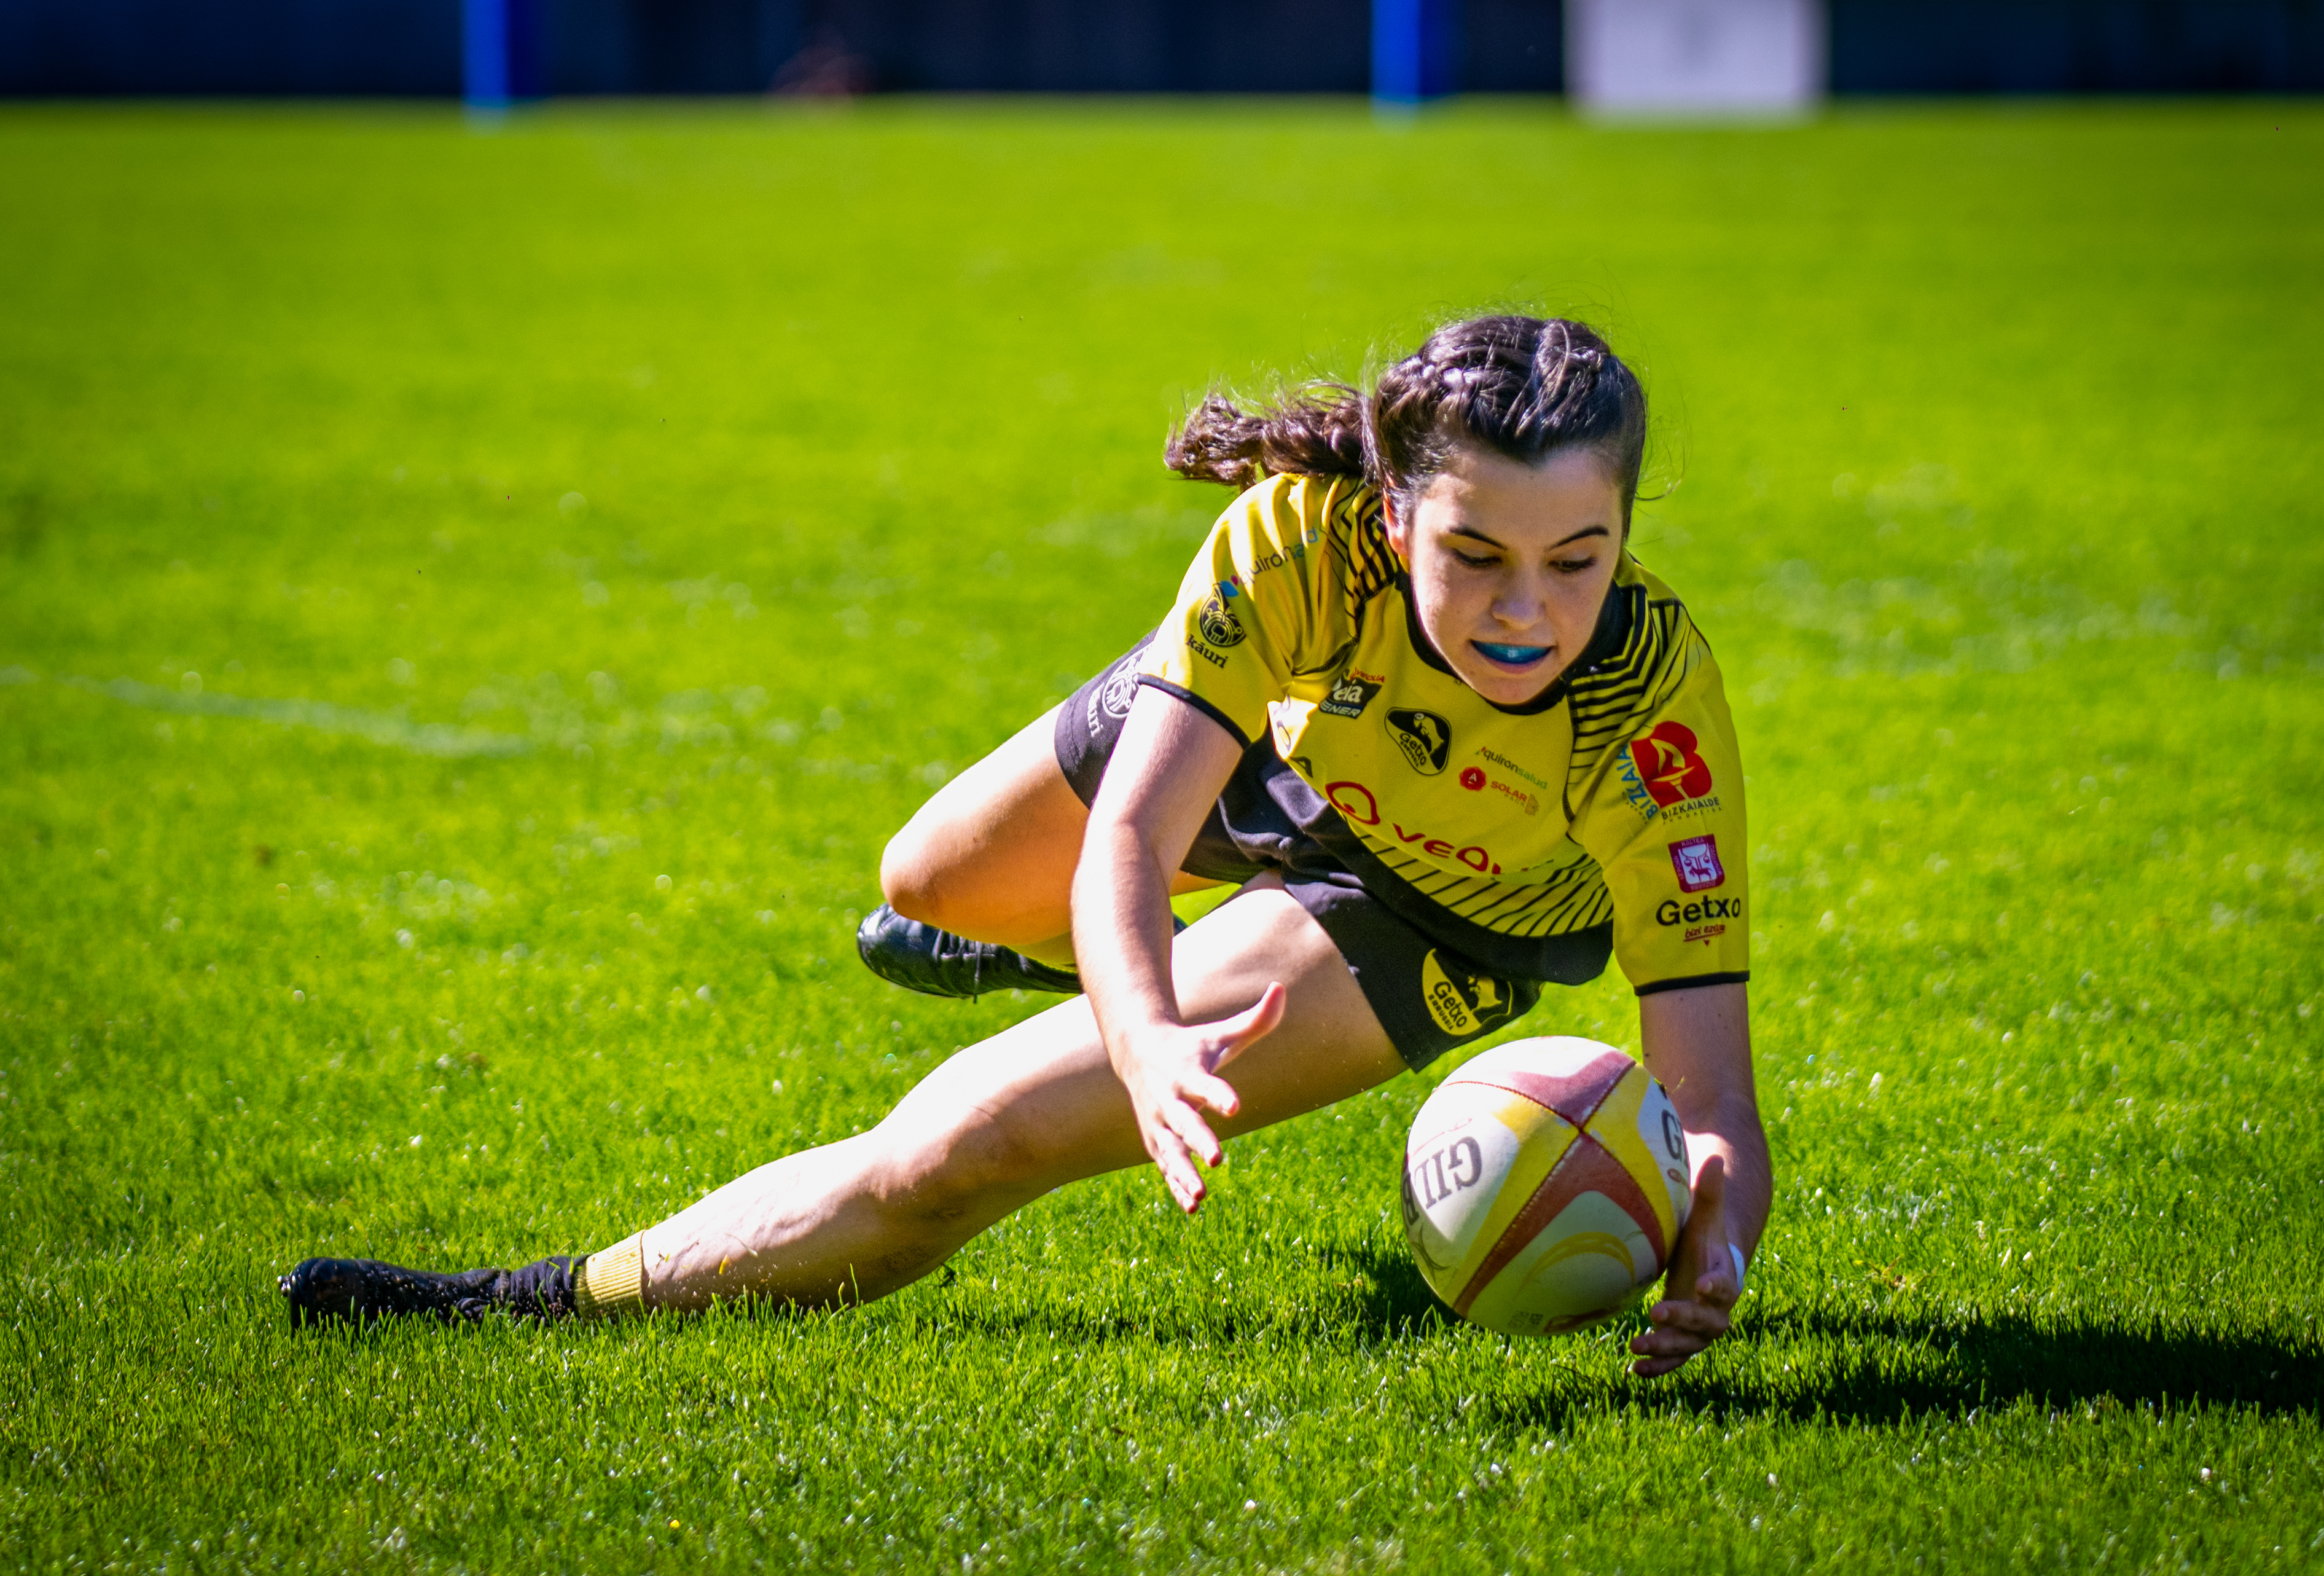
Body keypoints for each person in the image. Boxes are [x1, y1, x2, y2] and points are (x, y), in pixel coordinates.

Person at [281, 315, 1770, 1378]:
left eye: (1576, 562)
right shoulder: (1295, 545)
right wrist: (1137, 1029)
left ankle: (533, 1302)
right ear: (1391, 516)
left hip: (1432, 915)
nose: (1526, 611)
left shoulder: (1651, 716)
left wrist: (1717, 1244)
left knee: (959, 1145)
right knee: (920, 880)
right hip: (1271, 746)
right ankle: (1068, 958)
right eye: (1476, 556)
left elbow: (1714, 1099)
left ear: (1623, 534)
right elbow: (1131, 828)